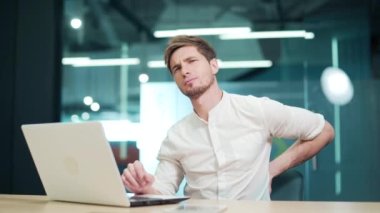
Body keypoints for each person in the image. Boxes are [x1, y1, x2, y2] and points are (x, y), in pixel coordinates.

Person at [121, 35, 335, 200]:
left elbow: (324, 131)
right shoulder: (176, 135)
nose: (184, 70)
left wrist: (272, 169)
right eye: (177, 68)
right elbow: (163, 191)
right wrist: (146, 188)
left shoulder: (257, 109)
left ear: (214, 65)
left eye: (191, 61)